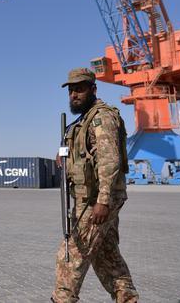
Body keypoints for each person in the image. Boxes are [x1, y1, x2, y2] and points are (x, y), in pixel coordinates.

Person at [52, 68, 139, 303]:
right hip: (90, 198)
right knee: (107, 258)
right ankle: (127, 298)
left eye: (79, 89)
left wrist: (103, 201)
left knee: (70, 257)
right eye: (71, 90)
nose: (74, 95)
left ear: (93, 89)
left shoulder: (101, 118)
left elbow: (110, 161)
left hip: (95, 202)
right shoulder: (82, 121)